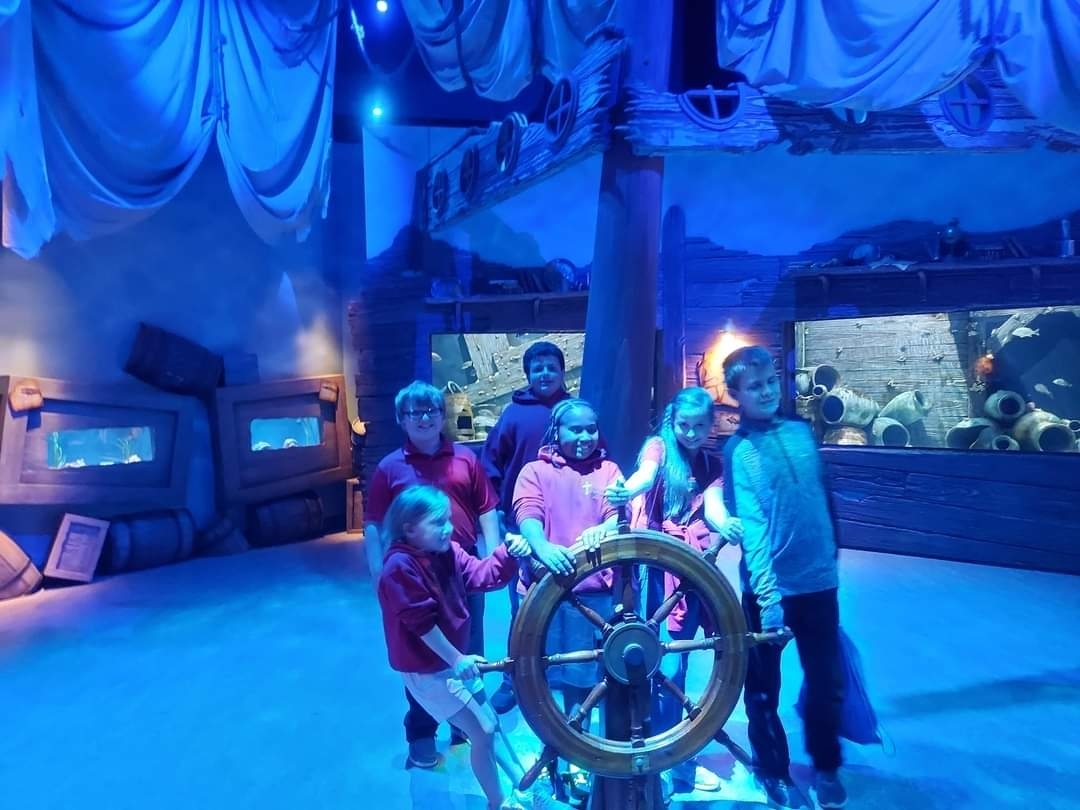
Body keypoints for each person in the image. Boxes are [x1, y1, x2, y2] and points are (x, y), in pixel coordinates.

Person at [720, 346, 847, 810]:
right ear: (735, 395)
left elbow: (824, 500)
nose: (767, 391)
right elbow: (753, 529)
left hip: (819, 584)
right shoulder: (738, 451)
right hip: (770, 592)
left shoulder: (801, 432)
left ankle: (827, 763)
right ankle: (771, 769)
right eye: (754, 386)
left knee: (827, 683)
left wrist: (831, 557)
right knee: (762, 690)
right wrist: (769, 600)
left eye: (771, 381)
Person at [605, 386, 743, 796]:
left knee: (676, 662)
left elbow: (713, 506)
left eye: (700, 426)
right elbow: (645, 476)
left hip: (689, 568)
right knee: (657, 659)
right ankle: (661, 757)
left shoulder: (711, 463)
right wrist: (628, 491)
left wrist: (725, 523)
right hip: (656, 568)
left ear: (711, 425)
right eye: (684, 425)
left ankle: (671, 756)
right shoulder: (658, 447)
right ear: (672, 421)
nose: (691, 433)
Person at [365, 381, 503, 769]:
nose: (424, 418)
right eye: (415, 412)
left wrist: (493, 555)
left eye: (431, 410)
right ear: (401, 419)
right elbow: (374, 522)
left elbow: (487, 509)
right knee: (422, 653)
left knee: (468, 645)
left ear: (443, 416)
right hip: (413, 575)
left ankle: (465, 724)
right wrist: (377, 570)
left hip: (460, 569)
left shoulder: (465, 459)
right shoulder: (390, 468)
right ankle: (422, 732)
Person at [376, 485, 532, 810]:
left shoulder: (448, 552)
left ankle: (522, 785)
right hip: (427, 670)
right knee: (483, 730)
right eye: (438, 522)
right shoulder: (399, 567)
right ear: (409, 528)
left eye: (448, 519)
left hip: (450, 662)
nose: (448, 528)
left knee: (490, 723)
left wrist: (507, 553)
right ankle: (499, 802)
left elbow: (482, 575)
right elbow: (421, 624)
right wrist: (457, 658)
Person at [512, 397, 623, 801]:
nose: (584, 436)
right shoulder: (535, 471)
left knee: (581, 680)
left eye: (590, 429)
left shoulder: (608, 470)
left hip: (592, 597)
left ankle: (577, 756)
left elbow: (616, 513)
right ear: (556, 432)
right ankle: (549, 750)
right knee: (536, 681)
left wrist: (604, 529)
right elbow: (527, 514)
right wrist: (542, 547)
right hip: (544, 593)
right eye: (575, 429)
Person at [480, 341, 571, 713]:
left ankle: (564, 675)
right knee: (523, 604)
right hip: (521, 524)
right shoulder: (513, 415)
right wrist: (498, 514)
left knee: (568, 601)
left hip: (566, 523)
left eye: (551, 367)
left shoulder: (573, 413)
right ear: (528, 374)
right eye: (538, 368)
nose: (545, 374)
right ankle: (514, 679)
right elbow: (490, 466)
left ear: (562, 372)